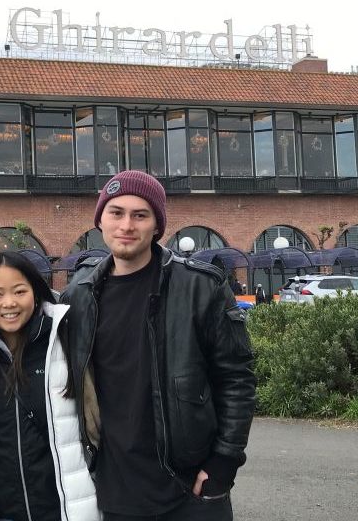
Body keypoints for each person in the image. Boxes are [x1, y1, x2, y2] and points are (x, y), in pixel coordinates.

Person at [61, 170, 256, 521]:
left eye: (140, 215)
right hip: (114, 490)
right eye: (116, 212)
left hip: (189, 489)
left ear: (156, 225)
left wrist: (225, 460)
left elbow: (236, 378)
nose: (127, 225)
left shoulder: (200, 287)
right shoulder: (79, 295)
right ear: (100, 220)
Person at [0, 251, 99, 521]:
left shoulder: (63, 340)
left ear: (36, 293)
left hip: (62, 509)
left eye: (19, 291)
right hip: (1, 511)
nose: (9, 303)